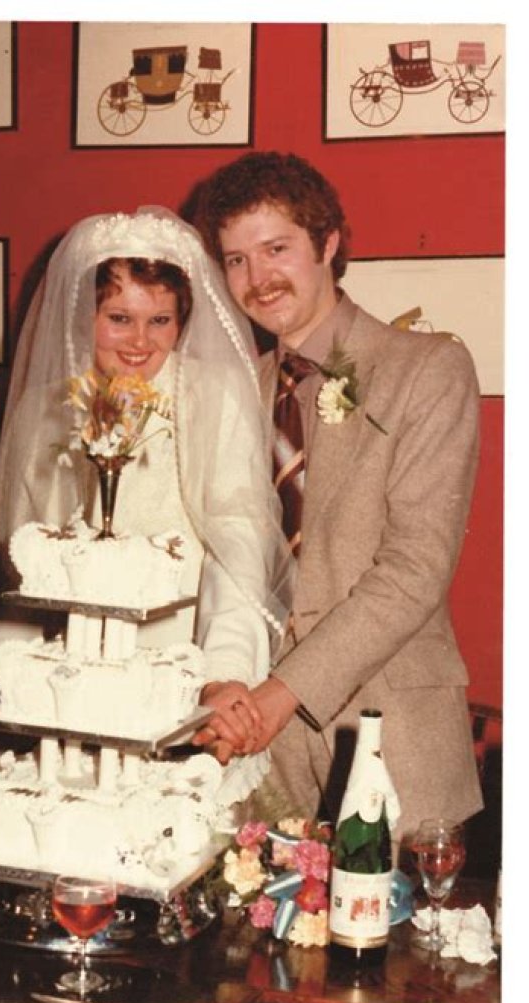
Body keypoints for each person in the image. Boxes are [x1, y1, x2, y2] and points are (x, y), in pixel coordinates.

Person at [191, 152, 483, 843]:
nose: (258, 279)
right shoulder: (234, 389)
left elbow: (415, 569)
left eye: (277, 249)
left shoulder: (426, 368)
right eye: (236, 260)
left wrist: (281, 693)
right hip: (262, 757)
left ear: (327, 243)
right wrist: (223, 687)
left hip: (391, 734)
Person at [0, 206, 293, 719]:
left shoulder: (213, 396)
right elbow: (19, 553)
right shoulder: (40, 410)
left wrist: (223, 670)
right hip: (67, 671)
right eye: (119, 319)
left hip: (177, 666)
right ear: (86, 316)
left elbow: (237, 537)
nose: (140, 342)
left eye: (160, 321)